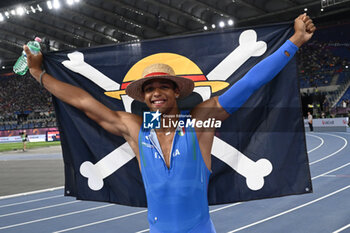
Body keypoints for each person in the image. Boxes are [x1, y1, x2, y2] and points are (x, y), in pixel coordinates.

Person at [24, 14, 315, 233]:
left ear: (177, 91)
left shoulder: (201, 121)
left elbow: (250, 82)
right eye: (149, 89)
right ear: (144, 97)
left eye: (163, 86)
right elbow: (82, 101)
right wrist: (38, 74)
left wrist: (295, 41)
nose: (156, 93)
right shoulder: (134, 128)